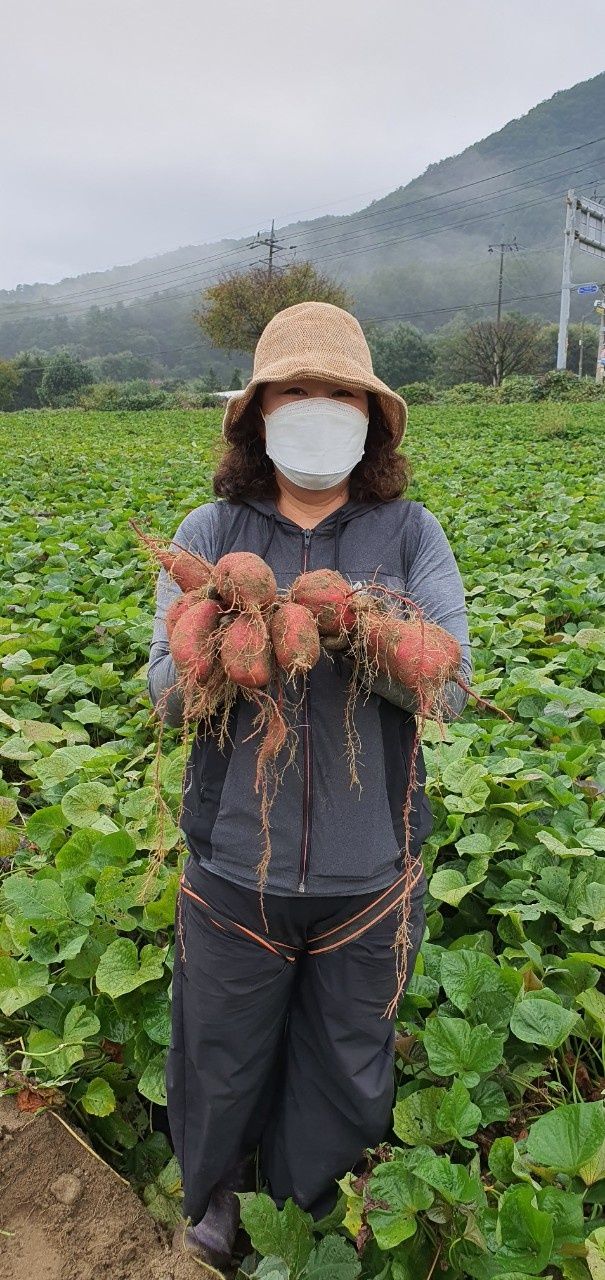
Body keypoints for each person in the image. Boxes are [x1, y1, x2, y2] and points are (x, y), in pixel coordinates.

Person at [148, 301, 472, 1274]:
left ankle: (294, 1208)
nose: (316, 408)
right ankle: (212, 1200)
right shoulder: (210, 533)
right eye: (296, 390)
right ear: (258, 413)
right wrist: (211, 651)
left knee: (341, 1061)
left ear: (369, 415)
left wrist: (358, 628)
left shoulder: (409, 534)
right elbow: (162, 693)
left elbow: (448, 685)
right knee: (218, 1047)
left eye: (338, 392)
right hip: (231, 864)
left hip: (365, 868)